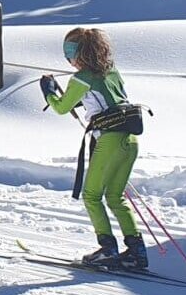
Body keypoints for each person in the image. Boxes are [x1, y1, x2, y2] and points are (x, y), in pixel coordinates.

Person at [41, 28, 148, 270]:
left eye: (69, 53)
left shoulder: (81, 78)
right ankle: (137, 251)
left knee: (91, 195)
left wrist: (48, 92)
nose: (68, 59)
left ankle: (108, 249)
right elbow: (104, 98)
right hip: (130, 139)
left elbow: (61, 108)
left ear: (78, 53)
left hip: (109, 140)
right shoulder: (112, 72)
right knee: (115, 197)